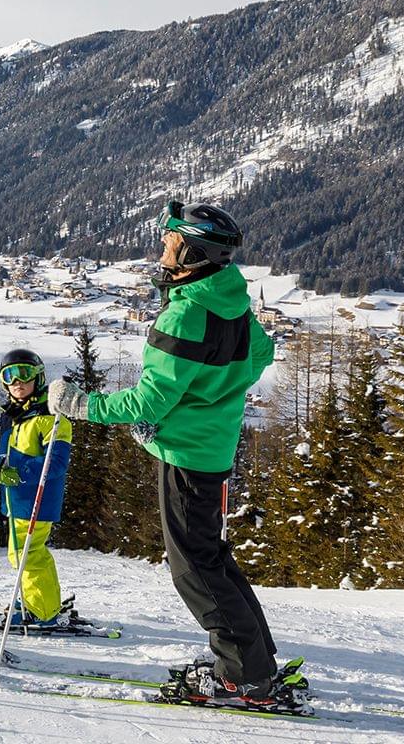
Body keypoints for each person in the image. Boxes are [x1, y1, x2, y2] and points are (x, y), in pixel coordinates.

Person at [48, 200, 289, 707]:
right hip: (213, 449)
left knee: (194, 572)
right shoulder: (232, 301)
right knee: (214, 561)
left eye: (169, 237)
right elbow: (259, 355)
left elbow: (150, 399)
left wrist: (81, 405)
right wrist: (213, 397)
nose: (161, 243)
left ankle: (244, 678)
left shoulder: (185, 312)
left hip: (187, 458)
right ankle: (255, 663)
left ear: (192, 250)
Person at [0, 348, 78, 628]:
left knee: (27, 554)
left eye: (24, 374)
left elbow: (57, 463)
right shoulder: (13, 416)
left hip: (37, 499)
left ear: (38, 377)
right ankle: (38, 600)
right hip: (16, 499)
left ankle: (42, 612)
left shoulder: (52, 417)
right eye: (9, 375)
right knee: (25, 553)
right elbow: (3, 456)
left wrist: (20, 474)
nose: (17, 382)